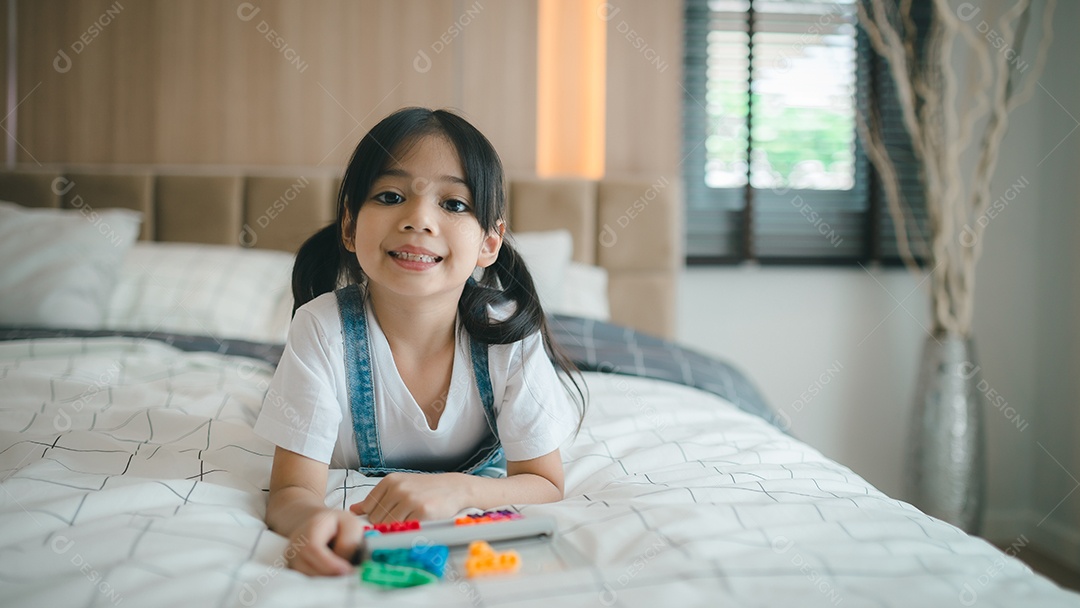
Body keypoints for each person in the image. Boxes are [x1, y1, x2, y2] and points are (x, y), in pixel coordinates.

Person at [253, 107, 585, 577]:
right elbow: (290, 493)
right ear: (349, 226)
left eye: (453, 204)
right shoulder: (320, 329)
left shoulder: (509, 335)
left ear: (490, 243)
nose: (418, 219)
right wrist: (315, 520)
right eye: (390, 195)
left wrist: (460, 490)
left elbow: (545, 482)